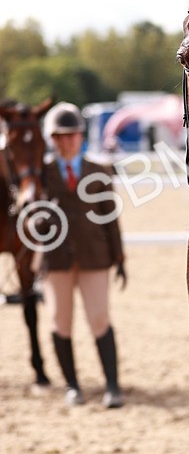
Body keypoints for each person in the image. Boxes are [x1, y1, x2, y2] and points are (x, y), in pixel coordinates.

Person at [40, 102, 126, 408]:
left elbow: (110, 219)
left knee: (99, 318)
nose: (68, 141)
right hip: (56, 260)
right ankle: (72, 385)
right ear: (53, 139)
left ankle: (112, 385)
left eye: (73, 134)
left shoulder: (99, 172)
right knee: (60, 321)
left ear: (81, 135)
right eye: (61, 136)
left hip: (94, 257)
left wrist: (120, 259)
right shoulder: (42, 175)